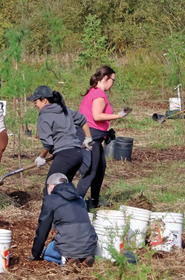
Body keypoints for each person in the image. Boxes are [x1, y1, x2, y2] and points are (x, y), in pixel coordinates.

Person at [76, 66, 131, 209]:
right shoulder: (99, 95)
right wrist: (119, 116)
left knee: (100, 168)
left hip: (94, 136)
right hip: (90, 137)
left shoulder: (94, 91)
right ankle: (74, 205)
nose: (113, 83)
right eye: (113, 80)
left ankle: (94, 201)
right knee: (91, 171)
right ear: (106, 78)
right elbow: (97, 116)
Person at [27, 85, 92, 187]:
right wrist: (88, 138)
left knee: (51, 188)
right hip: (77, 155)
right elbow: (82, 119)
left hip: (65, 156)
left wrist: (41, 157)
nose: (35, 105)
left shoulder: (44, 117)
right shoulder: (64, 109)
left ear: (44, 100)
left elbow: (47, 143)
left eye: (36, 102)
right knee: (63, 189)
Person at [29, 173, 97, 268]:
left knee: (47, 253)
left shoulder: (50, 199)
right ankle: (85, 258)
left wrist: (36, 254)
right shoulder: (79, 198)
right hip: (89, 243)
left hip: (68, 242)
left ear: (51, 187)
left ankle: (68, 258)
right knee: (73, 239)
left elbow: (43, 228)